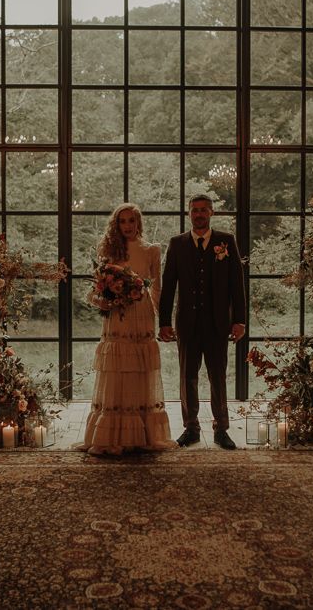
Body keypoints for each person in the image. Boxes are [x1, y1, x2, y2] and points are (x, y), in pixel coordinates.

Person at [79, 203, 177, 455]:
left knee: (139, 371)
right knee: (117, 370)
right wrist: (105, 298)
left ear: (138, 222)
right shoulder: (108, 249)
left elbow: (157, 287)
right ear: (116, 224)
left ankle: (142, 435)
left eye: (131, 221)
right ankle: (111, 436)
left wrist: (157, 317)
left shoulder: (151, 250)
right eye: (122, 221)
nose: (127, 226)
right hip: (117, 316)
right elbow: (95, 286)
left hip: (141, 314)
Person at [158, 194, 246, 450]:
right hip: (187, 323)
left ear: (211, 213)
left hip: (218, 324)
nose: (198, 214)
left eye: (203, 210)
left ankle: (221, 429)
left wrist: (239, 320)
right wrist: (164, 322)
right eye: (194, 210)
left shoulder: (226, 241)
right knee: (188, 377)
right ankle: (191, 428)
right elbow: (168, 287)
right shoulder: (177, 244)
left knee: (217, 376)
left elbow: (236, 286)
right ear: (189, 214)